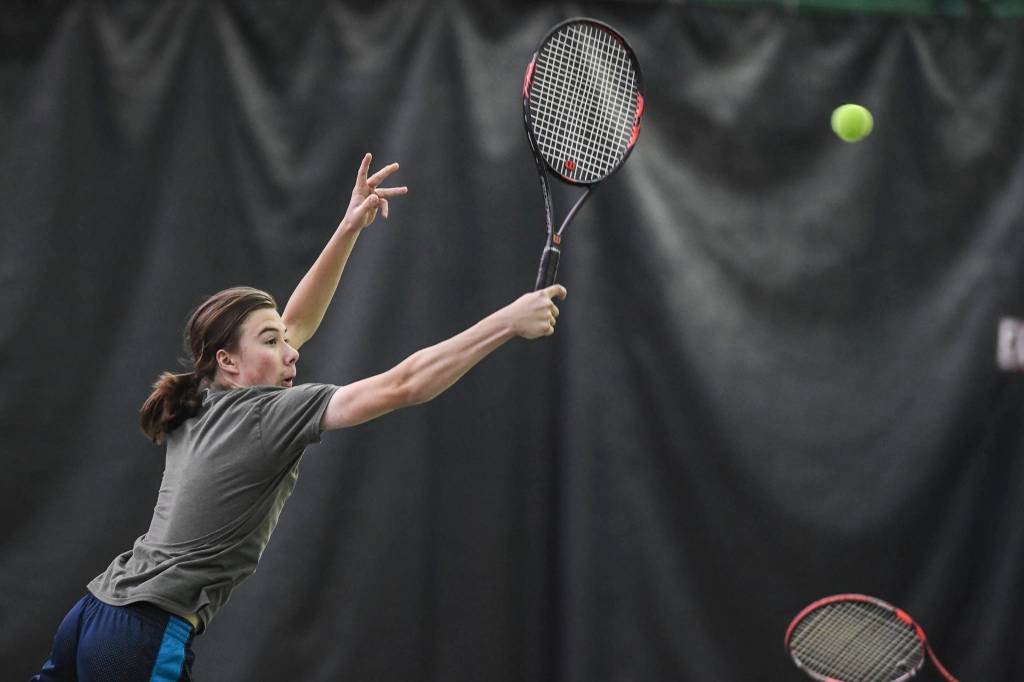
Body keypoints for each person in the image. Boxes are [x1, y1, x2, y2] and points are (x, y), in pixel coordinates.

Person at [31, 154, 566, 681]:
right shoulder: (269, 416)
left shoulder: (199, 394)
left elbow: (295, 321)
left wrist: (349, 225)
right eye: (271, 342)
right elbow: (404, 384)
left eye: (284, 340)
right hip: (142, 635)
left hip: (91, 615)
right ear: (229, 361)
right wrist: (506, 322)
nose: (291, 350)